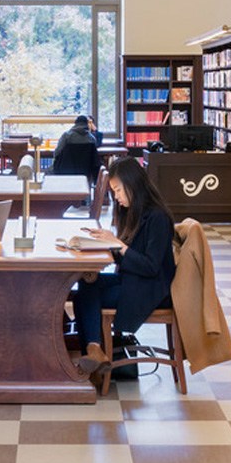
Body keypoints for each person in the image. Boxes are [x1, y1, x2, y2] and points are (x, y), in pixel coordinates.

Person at [69, 154, 175, 376]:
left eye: (118, 190)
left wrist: (117, 245)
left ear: (133, 185)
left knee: (88, 294)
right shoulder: (134, 212)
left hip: (152, 289)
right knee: (86, 284)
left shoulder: (157, 217)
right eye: (113, 191)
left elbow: (150, 267)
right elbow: (127, 257)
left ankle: (95, 351)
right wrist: (105, 244)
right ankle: (95, 350)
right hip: (135, 280)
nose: (116, 197)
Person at [51, 112, 101, 187]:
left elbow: (57, 152)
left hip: (66, 170)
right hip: (85, 172)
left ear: (75, 124)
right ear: (87, 124)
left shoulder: (67, 136)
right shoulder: (91, 139)